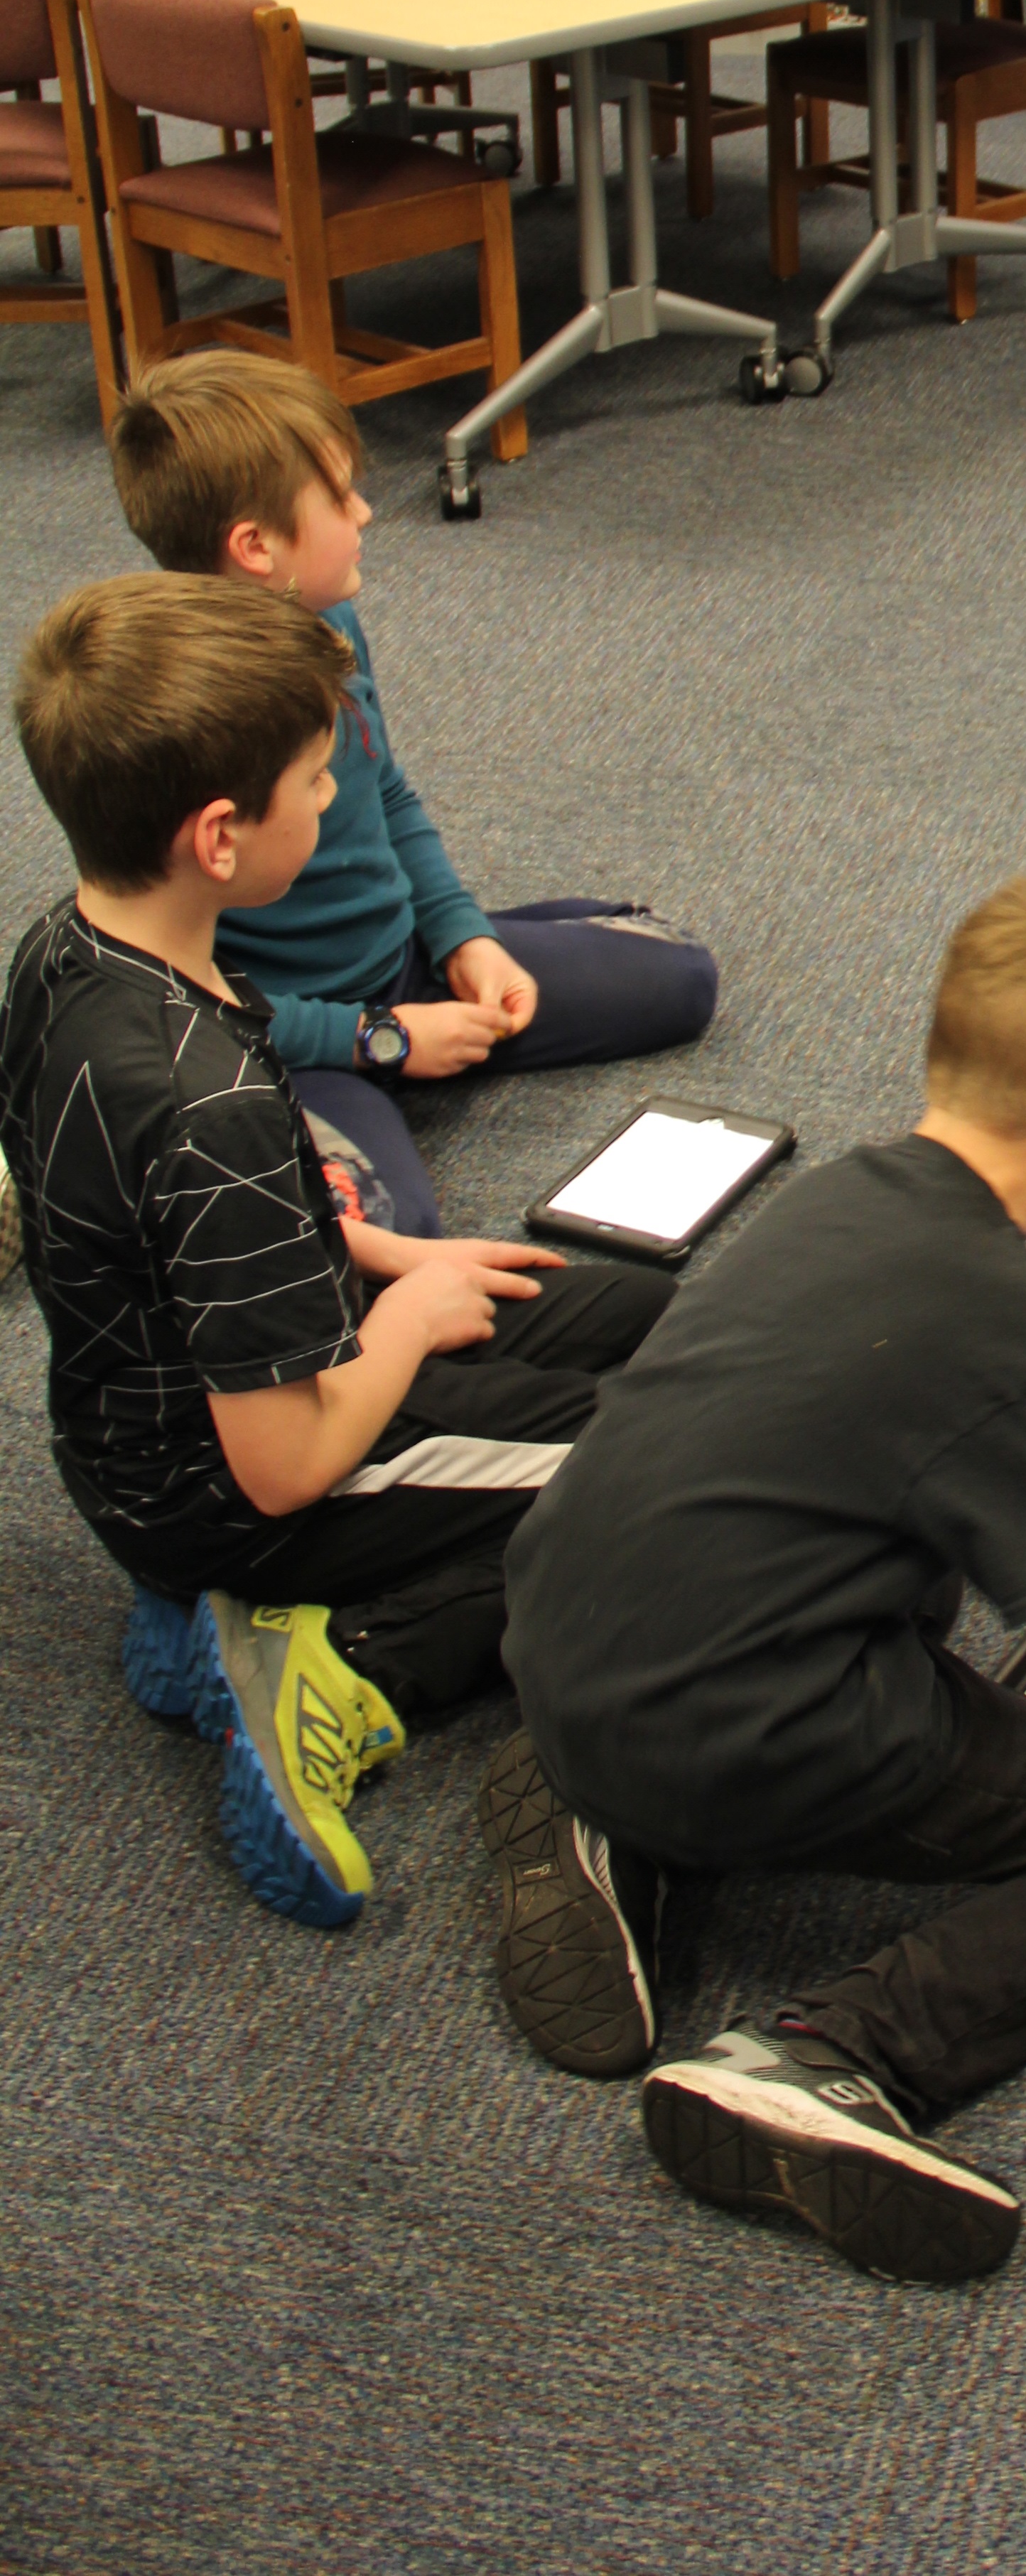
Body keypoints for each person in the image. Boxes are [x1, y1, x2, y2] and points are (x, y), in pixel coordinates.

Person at [493, 872, 1026, 2284]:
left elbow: (898, 1359)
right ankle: (825, 2060)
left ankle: (598, 1815)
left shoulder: (843, 1194)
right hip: (744, 1724)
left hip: (567, 1651)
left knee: (862, 1566)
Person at [2, 576, 671, 1928]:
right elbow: (288, 1458)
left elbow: (153, 1236)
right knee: (671, 1473)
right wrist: (412, 1315)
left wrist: (374, 1251)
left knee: (654, 1325)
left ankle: (200, 1602)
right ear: (218, 837)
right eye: (315, 780)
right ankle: (330, 1659)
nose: (332, 801)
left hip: (152, 1416)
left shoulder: (67, 949)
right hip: (245, 1473)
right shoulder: (217, 1111)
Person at [109, 355, 720, 1240]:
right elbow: (181, 1001)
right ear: (256, 548)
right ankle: (380, 1075)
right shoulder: (184, 726)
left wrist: (461, 932)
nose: (365, 515)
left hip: (401, 961)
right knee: (394, 1233)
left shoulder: (329, 619)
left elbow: (386, 790)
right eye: (342, 499)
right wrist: (380, 1039)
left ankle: (485, 965)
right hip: (284, 1035)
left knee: (683, 980)